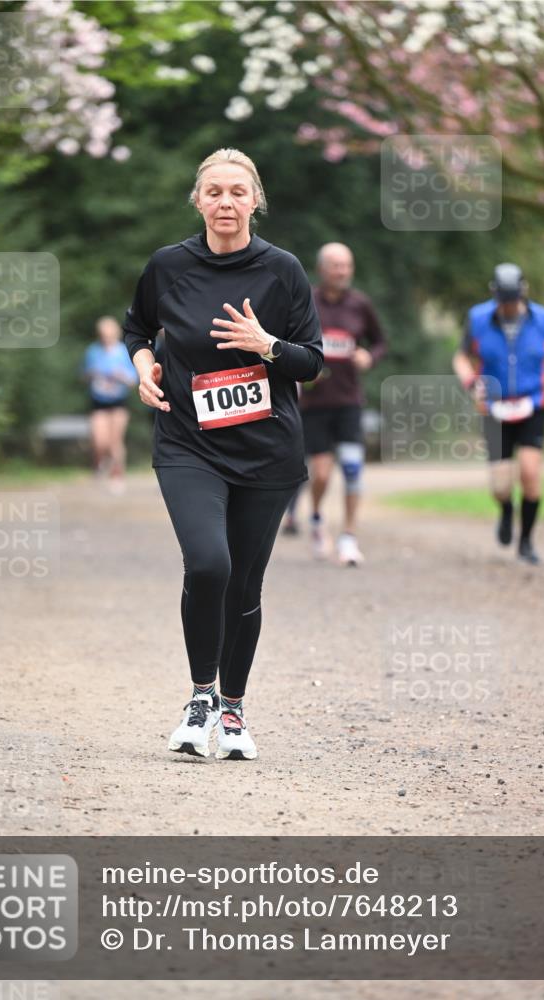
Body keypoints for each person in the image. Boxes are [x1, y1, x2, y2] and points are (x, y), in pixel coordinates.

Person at [122, 148, 323, 760]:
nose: (226, 203)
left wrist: (267, 345)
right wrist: (142, 365)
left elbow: (311, 361)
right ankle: (200, 697)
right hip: (188, 442)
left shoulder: (283, 271)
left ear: (255, 199)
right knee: (209, 564)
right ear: (198, 200)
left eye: (238, 192)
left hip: (266, 451)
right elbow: (136, 327)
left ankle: (233, 711)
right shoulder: (168, 266)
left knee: (245, 582)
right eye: (215, 192)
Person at [453, 263, 544, 564]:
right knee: (500, 486)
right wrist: (471, 383)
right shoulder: (478, 318)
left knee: (530, 473)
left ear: (523, 292)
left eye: (513, 300)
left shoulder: (543, 318)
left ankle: (526, 542)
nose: (509, 307)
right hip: (495, 408)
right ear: (495, 296)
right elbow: (461, 358)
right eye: (504, 302)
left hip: (532, 403)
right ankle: (506, 511)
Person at [283, 243, 386, 565]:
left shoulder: (360, 305)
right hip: (314, 404)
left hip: (349, 401)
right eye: (336, 266)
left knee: (354, 469)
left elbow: (380, 341)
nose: (342, 272)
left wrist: (369, 356)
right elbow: (283, 341)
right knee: (323, 474)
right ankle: (315, 519)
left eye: (347, 266)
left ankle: (348, 538)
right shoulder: (305, 302)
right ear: (322, 268)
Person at [82, 316, 138, 492]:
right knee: (99, 441)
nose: (106, 337)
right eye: (103, 334)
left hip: (118, 401)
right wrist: (92, 374)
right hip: (98, 401)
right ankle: (100, 464)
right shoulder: (93, 351)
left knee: (115, 441)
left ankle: (117, 475)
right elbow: (83, 376)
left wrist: (120, 375)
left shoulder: (123, 351)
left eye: (109, 334)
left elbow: (133, 380)